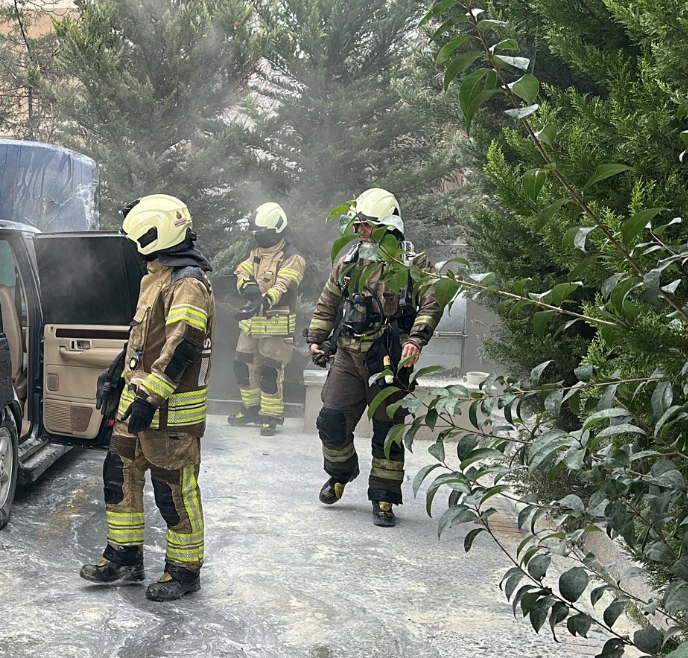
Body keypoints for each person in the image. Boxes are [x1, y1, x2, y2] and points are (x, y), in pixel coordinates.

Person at [81, 194, 215, 602]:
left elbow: (184, 347)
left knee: (173, 491)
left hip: (169, 414)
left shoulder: (187, 283)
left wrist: (149, 398)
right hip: (137, 404)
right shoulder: (157, 275)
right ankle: (124, 556)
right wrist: (115, 373)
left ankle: (183, 571)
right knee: (119, 477)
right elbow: (144, 338)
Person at [305, 188, 443, 527]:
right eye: (359, 225)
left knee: (387, 430)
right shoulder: (350, 259)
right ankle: (341, 472)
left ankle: (383, 498)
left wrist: (416, 340)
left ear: (389, 225)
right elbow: (328, 301)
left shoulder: (413, 263)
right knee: (331, 420)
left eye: (368, 225)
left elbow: (431, 303)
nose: (361, 231)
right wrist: (316, 339)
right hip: (348, 354)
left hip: (389, 356)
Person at [228, 202, 306, 435]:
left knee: (270, 373)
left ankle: (271, 415)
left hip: (276, 327)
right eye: (257, 233)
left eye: (263, 233)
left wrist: (265, 299)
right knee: (242, 366)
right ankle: (250, 409)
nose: (259, 237)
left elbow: (284, 284)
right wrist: (249, 287)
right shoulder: (257, 254)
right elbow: (242, 270)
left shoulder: (293, 258)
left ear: (277, 230)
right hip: (251, 327)